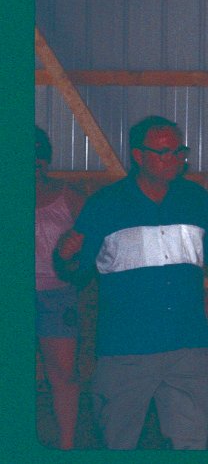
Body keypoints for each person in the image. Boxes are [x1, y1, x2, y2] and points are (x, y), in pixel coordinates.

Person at [55, 115, 208, 449]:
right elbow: (78, 273)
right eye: (163, 152)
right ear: (138, 156)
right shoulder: (105, 204)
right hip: (124, 350)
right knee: (118, 443)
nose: (173, 160)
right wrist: (67, 256)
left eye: (178, 152)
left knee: (190, 444)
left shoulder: (196, 200)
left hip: (188, 345)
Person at [35, 126, 84, 449]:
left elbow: (90, 242)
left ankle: (66, 446)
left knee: (63, 375)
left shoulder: (68, 196)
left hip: (58, 295)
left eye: (36, 158)